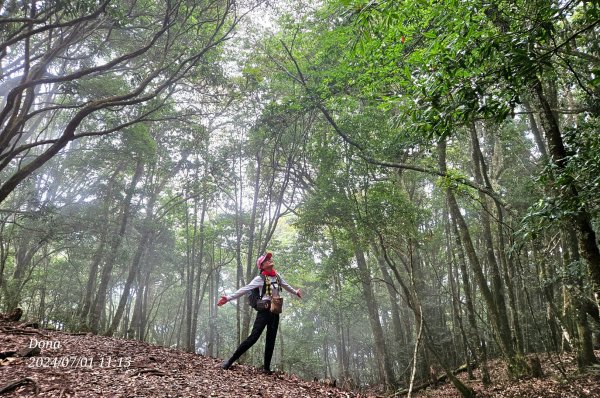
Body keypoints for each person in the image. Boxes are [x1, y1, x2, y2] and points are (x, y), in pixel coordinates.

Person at [217, 252, 302, 374]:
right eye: (266, 260)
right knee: (253, 338)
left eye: (269, 259)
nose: (269, 260)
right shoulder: (260, 278)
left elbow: (286, 285)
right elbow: (245, 289)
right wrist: (229, 298)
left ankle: (266, 368)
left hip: (275, 311)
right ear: (261, 266)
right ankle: (230, 361)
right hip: (264, 311)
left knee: (271, 339)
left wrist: (295, 292)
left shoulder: (277, 276)